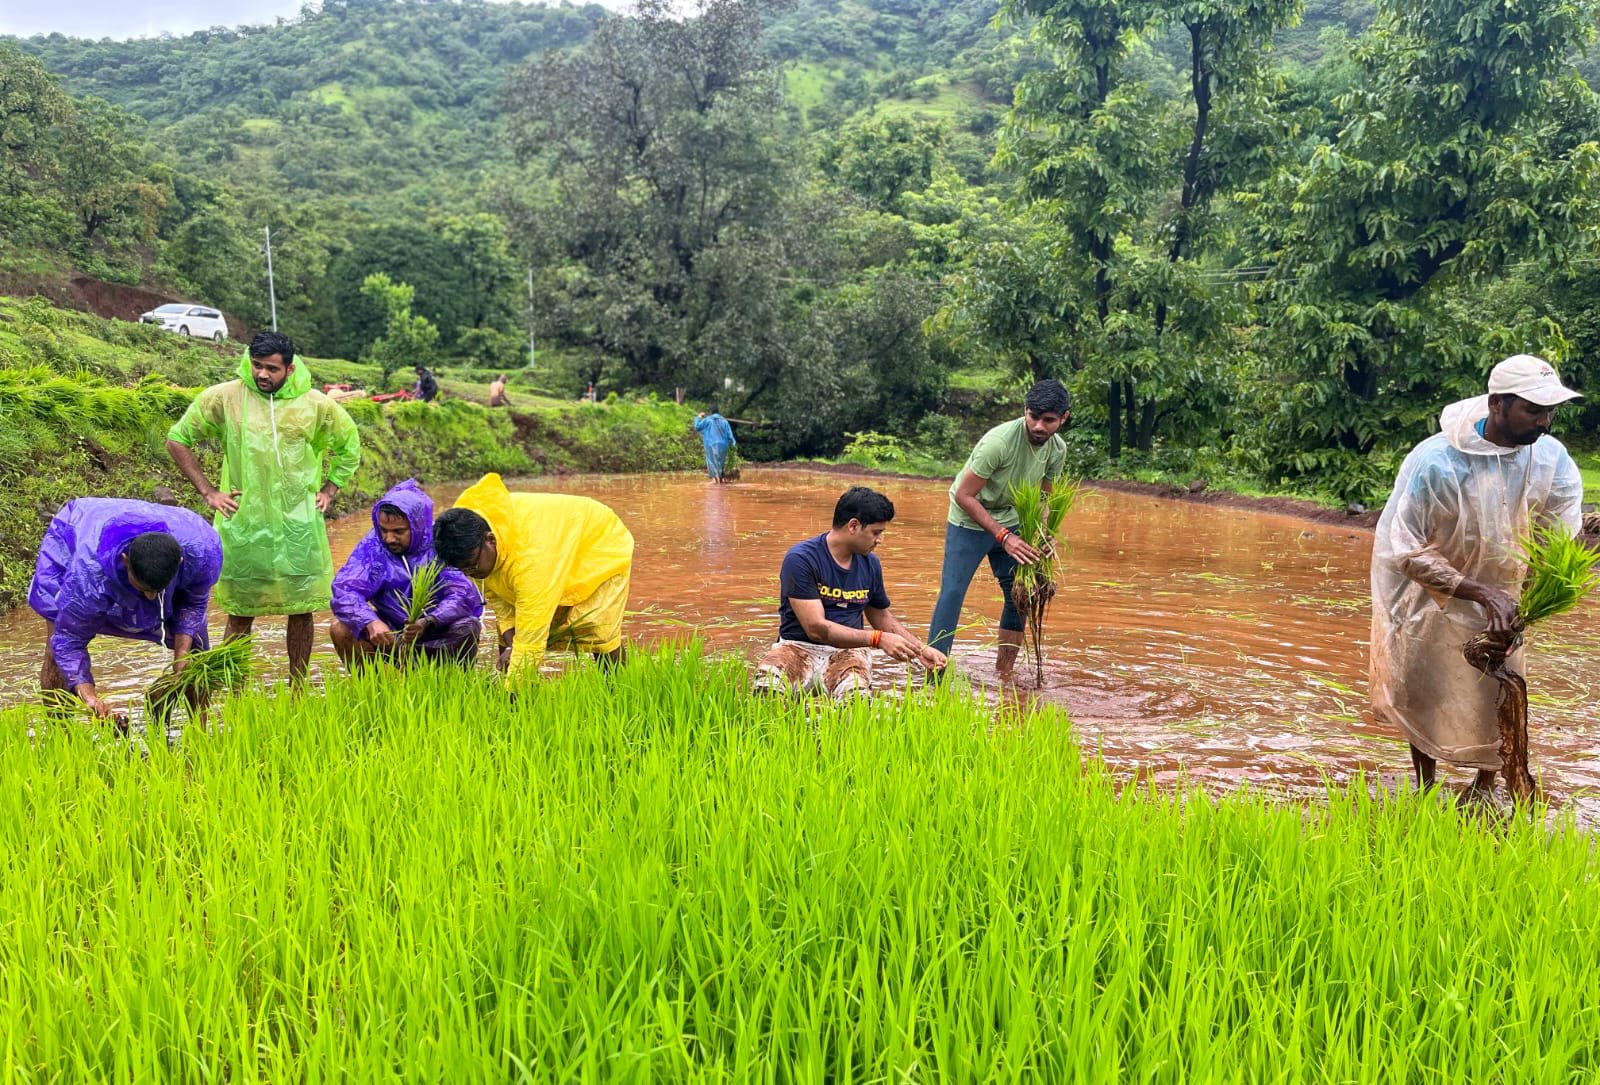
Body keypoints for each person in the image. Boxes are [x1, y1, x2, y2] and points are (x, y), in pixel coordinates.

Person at [1371, 354, 1584, 799]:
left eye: (1550, 411)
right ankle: (1426, 785)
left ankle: (1483, 786)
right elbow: (1406, 546)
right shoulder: (1437, 462)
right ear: (1497, 404)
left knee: (1497, 691)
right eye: (1533, 409)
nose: (1545, 421)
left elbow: (1559, 531)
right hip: (1432, 593)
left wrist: (1535, 591)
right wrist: (1478, 592)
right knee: (1422, 685)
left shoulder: (1550, 458)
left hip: (1506, 593)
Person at [166, 330, 362, 684]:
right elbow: (178, 438)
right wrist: (209, 491)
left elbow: (349, 444)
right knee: (240, 614)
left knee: (301, 611)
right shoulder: (226, 398)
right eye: (256, 365)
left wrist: (331, 489)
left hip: (298, 526)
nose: (261, 374)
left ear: (289, 369)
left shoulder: (315, 404)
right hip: (244, 525)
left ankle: (298, 688)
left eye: (271, 368)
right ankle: (236, 692)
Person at [926, 379, 1071, 677]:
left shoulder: (1057, 449)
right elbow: (963, 495)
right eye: (1034, 417)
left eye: (1049, 420)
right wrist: (1003, 536)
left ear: (1063, 418)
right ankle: (934, 677)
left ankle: (1004, 674)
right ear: (1025, 411)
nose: (1039, 426)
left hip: (1013, 520)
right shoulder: (999, 443)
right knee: (952, 593)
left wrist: (1045, 532)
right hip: (969, 519)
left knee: (1020, 594)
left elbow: (1045, 498)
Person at [29, 497, 222, 720]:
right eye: (142, 589)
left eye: (157, 590)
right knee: (55, 650)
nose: (150, 597)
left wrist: (181, 662)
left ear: (179, 562)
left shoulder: (202, 552)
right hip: (73, 539)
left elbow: (193, 603)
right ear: (125, 560)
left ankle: (198, 734)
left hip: (182, 534)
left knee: (198, 658)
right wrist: (90, 697)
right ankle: (61, 737)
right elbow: (70, 640)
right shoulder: (88, 574)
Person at [433, 473, 634, 680]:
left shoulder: (530, 563)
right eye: (463, 570)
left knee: (597, 626)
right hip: (547, 539)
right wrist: (511, 645)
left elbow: (531, 643)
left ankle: (618, 689)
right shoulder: (468, 545)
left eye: (472, 567)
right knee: (510, 632)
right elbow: (501, 603)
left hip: (597, 540)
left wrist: (512, 698)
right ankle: (521, 692)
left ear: (490, 540)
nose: (470, 574)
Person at [754, 487, 946, 699]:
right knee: (767, 689)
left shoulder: (870, 564)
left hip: (848, 652)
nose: (879, 540)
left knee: (855, 698)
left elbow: (882, 618)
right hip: (797, 648)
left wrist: (920, 651)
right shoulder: (801, 559)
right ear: (853, 526)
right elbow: (816, 628)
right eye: (876, 532)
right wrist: (877, 639)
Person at [329, 479, 483, 670]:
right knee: (340, 629)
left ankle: (455, 682)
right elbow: (345, 590)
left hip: (437, 631)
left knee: (467, 627)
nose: (389, 538)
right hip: (394, 635)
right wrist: (370, 621)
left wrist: (430, 621)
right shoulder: (373, 547)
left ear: (417, 525)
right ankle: (374, 692)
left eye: (398, 531)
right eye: (383, 530)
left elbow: (462, 595)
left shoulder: (440, 542)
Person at [693, 405, 737, 483]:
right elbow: (730, 435)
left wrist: (698, 417)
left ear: (710, 412)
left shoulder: (707, 420)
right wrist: (733, 444)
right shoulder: (724, 421)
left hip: (711, 445)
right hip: (723, 446)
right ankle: (720, 481)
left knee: (712, 463)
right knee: (720, 464)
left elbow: (697, 427)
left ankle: (717, 483)